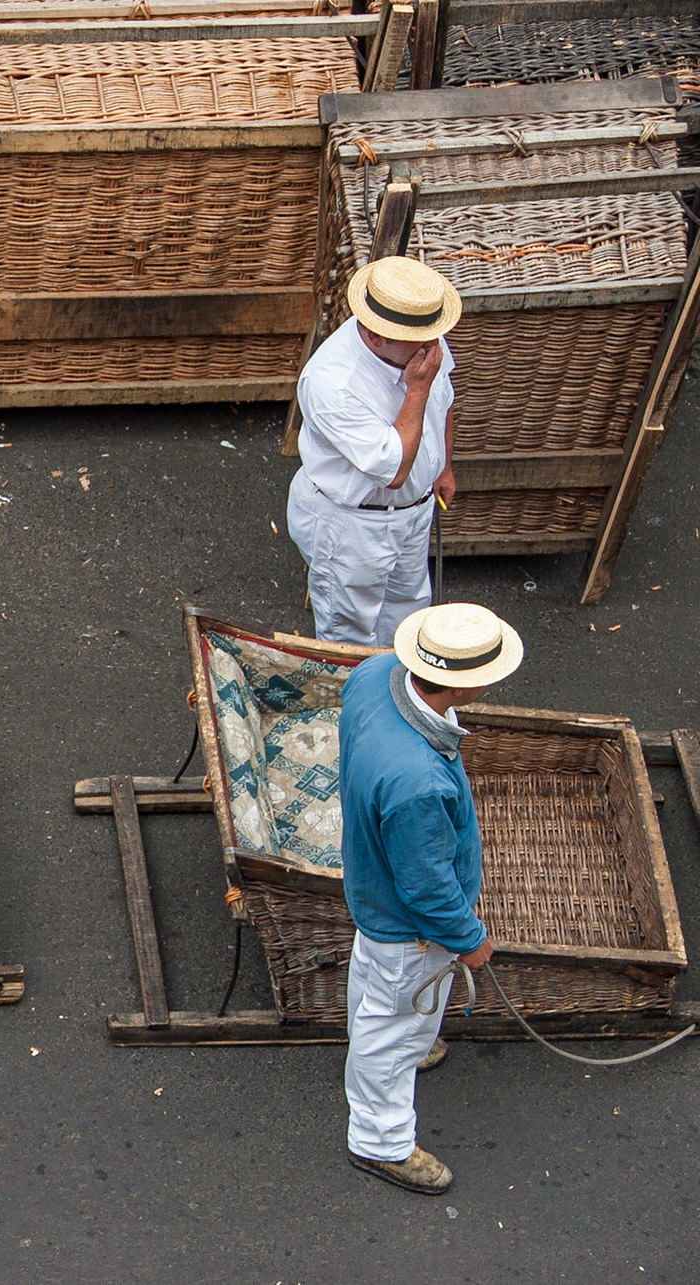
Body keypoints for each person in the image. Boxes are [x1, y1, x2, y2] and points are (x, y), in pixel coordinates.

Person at [338, 602, 524, 1195]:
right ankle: (380, 1142)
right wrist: (469, 940)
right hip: (408, 929)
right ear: (463, 686)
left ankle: (395, 1044)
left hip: (371, 891)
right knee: (392, 1026)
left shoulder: (375, 674)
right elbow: (426, 888)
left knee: (377, 993)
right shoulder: (417, 781)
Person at [288, 256, 462, 646]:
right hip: (352, 525)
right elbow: (394, 470)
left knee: (409, 612)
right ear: (375, 335)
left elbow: (445, 400)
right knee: (349, 632)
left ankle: (396, 680)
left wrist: (443, 468)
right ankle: (356, 686)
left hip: (413, 511)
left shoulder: (422, 335)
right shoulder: (332, 383)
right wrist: (417, 389)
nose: (433, 347)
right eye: (421, 340)